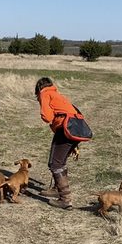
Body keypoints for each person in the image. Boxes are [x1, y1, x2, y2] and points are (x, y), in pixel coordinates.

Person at [35, 77, 79, 210]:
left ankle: (65, 200)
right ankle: (56, 188)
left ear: (38, 89)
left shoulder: (44, 93)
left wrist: (44, 111)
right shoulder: (56, 94)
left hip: (64, 129)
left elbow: (47, 117)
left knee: (55, 164)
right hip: (74, 128)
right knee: (60, 161)